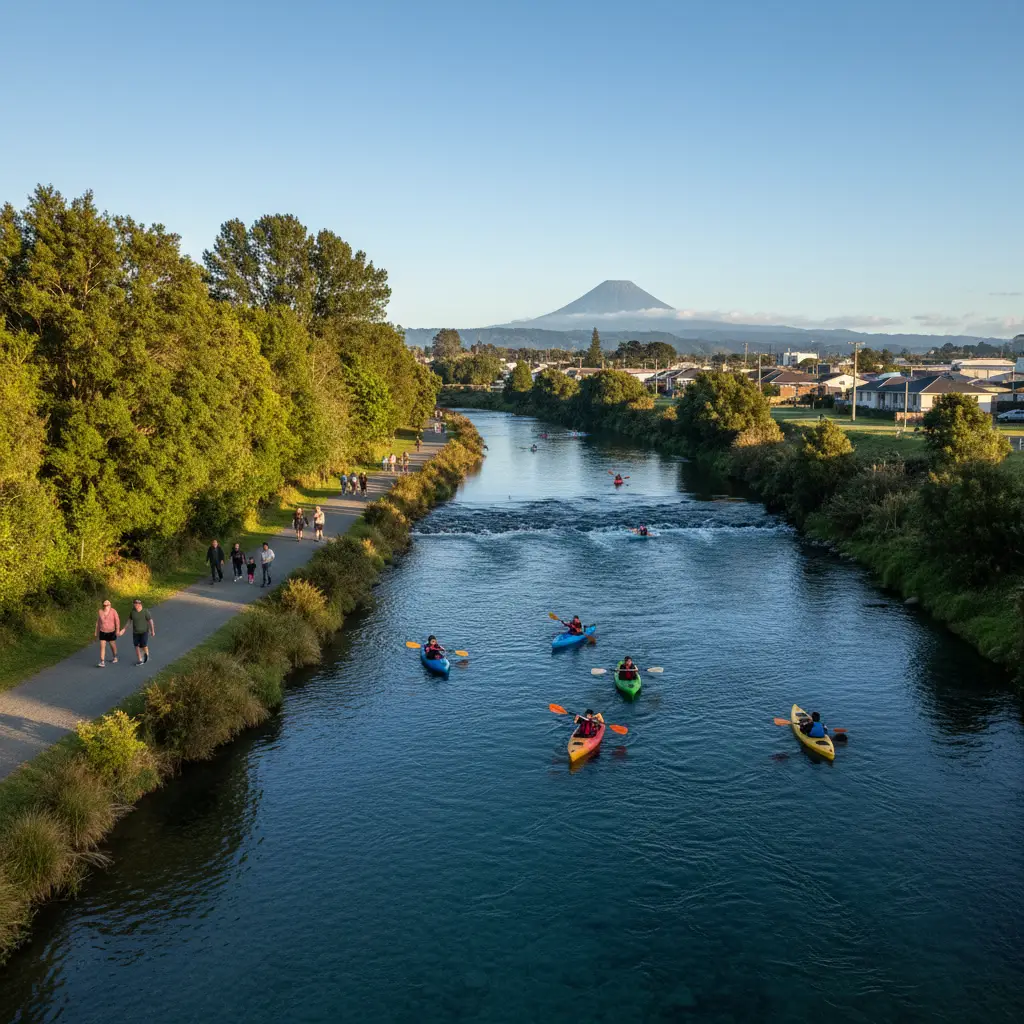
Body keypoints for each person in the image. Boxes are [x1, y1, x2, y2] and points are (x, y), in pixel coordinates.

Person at [122, 598, 155, 665]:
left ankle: (146, 655)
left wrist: (152, 631)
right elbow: (129, 621)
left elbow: (150, 621)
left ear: (140, 604)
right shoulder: (132, 612)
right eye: (135, 603)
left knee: (144, 645)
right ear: (133, 604)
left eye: (138, 603)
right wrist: (124, 629)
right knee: (136, 645)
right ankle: (140, 660)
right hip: (135, 632)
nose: (136, 605)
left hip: (144, 631)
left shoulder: (145, 611)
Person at [95, 599, 120, 667]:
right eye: (105, 604)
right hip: (102, 631)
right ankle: (102, 661)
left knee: (112, 645)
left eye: (108, 603)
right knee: (102, 646)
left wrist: (117, 630)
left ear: (110, 604)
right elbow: (98, 623)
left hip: (111, 631)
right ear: (103, 605)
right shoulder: (100, 612)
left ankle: (115, 657)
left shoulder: (113, 611)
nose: (107, 605)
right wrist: (96, 633)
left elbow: (117, 621)